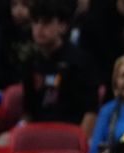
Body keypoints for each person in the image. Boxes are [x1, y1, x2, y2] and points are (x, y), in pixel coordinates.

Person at [22, 0, 97, 132]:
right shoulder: (31, 62)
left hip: (70, 133)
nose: (39, 28)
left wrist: (80, 144)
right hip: (38, 133)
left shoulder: (80, 62)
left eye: (46, 22)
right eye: (35, 22)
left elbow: (90, 112)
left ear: (62, 26)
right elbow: (28, 111)